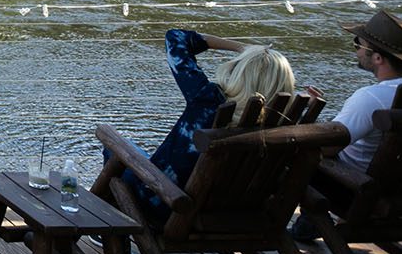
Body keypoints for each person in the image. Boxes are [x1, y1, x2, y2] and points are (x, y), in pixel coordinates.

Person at [126, 29, 303, 214]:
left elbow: (176, 37)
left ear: (239, 71)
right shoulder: (284, 124)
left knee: (116, 146)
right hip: (234, 214)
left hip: (164, 201)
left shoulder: (208, 100)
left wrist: (243, 48)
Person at [331, 9, 402, 171]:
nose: (357, 51)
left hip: (351, 179)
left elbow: (327, 146)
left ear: (377, 58)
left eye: (358, 44)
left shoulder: (369, 98)